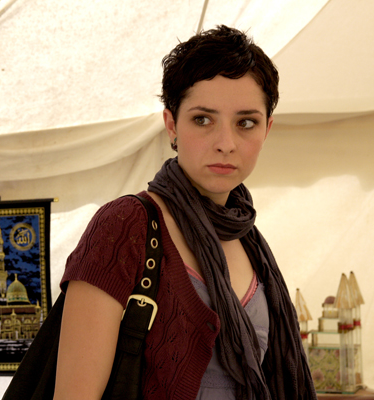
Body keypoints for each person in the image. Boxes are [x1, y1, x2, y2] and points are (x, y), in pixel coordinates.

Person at [53, 26, 316, 399]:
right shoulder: (126, 226)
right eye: (203, 119)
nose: (226, 143)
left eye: (246, 123)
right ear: (171, 125)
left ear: (267, 129)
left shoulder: (251, 242)